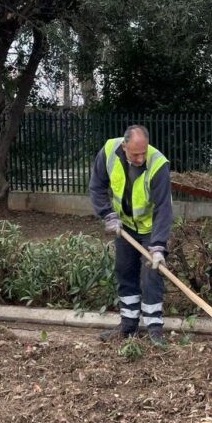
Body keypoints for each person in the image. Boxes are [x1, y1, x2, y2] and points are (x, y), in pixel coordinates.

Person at [89, 125, 172, 345]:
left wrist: (158, 246)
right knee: (124, 271)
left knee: (151, 275)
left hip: (150, 229)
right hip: (124, 226)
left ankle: (155, 330)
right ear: (124, 146)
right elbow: (97, 186)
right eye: (135, 154)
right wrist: (107, 214)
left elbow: (164, 208)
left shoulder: (158, 164)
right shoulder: (108, 151)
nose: (140, 158)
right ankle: (128, 326)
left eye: (143, 152)